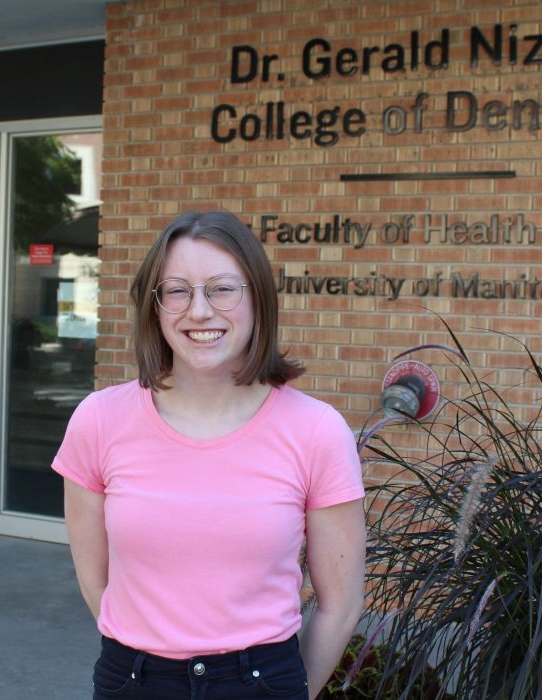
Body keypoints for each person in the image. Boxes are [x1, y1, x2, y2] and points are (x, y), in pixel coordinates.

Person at [53, 210, 365, 699]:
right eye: (177, 290)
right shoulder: (98, 421)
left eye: (222, 288)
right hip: (133, 678)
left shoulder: (317, 431)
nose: (199, 311)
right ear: (154, 307)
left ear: (257, 296)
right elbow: (96, 583)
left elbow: (341, 603)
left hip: (262, 681)